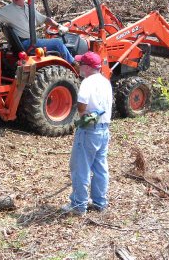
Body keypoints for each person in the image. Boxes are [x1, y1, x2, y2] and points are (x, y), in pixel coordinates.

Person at [61, 51, 112, 216]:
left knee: (80, 167)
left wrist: (83, 115)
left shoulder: (87, 82)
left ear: (88, 67)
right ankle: (99, 202)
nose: (79, 66)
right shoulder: (105, 82)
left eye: (81, 64)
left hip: (89, 130)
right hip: (104, 129)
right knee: (100, 167)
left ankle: (78, 205)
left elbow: (81, 104)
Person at [0, 0, 76, 65]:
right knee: (58, 43)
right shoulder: (8, 10)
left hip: (28, 42)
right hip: (27, 43)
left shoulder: (29, 9)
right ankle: (73, 64)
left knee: (53, 43)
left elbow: (45, 19)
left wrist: (58, 26)